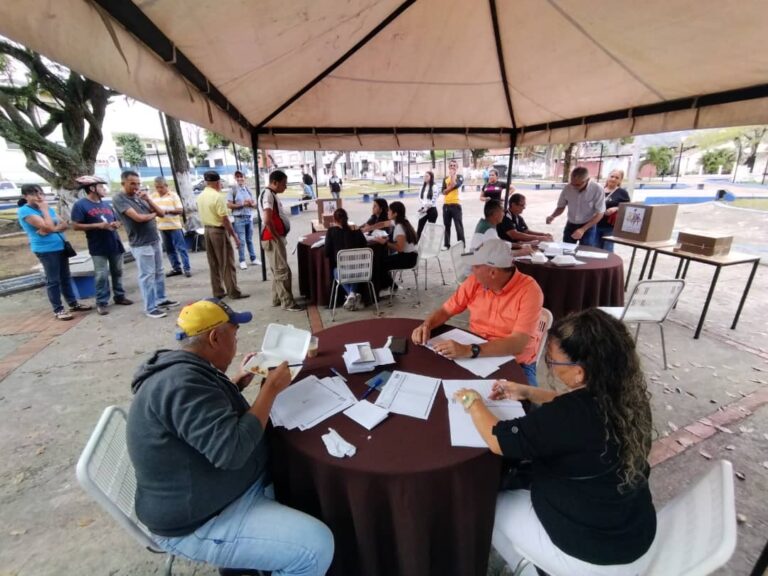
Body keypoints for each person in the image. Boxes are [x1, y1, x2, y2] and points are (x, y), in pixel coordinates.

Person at [126, 298, 334, 575]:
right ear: (214, 337)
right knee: (315, 548)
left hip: (212, 490)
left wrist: (238, 381)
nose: (236, 343)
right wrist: (269, 389)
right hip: (200, 519)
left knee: (297, 477)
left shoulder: (185, 368)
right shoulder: (181, 385)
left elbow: (205, 415)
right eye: (234, 336)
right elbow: (232, 451)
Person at [451, 308, 657, 575]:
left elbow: (498, 440)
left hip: (592, 554)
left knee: (484, 502)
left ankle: (528, 568)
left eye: (552, 362)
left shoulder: (569, 417)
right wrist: (526, 391)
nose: (549, 366)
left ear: (580, 373)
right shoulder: (627, 395)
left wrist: (473, 401)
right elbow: (575, 407)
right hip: (631, 532)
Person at [412, 238, 543, 385]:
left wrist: (470, 350)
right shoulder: (475, 282)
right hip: (476, 354)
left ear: (492, 272)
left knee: (531, 405)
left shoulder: (530, 291)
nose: (471, 270)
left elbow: (517, 344)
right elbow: (446, 310)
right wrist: (427, 325)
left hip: (516, 362)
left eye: (475, 266)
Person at [17, 184, 93, 320]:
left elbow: (64, 224)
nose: (39, 197)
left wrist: (51, 228)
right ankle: (58, 309)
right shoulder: (25, 211)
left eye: (41, 194)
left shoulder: (48, 209)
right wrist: (46, 213)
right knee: (53, 280)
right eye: (34, 194)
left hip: (60, 246)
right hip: (46, 250)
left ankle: (73, 303)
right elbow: (48, 226)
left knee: (65, 277)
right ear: (25, 196)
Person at [112, 170, 179, 319]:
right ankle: (150, 307)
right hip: (141, 243)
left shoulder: (139, 197)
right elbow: (139, 218)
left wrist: (148, 200)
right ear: (123, 183)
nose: (136, 187)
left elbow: (161, 213)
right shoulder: (119, 198)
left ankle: (161, 299)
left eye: (138, 183)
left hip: (154, 239)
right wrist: (153, 214)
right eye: (132, 183)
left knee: (159, 271)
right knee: (147, 275)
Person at [71, 175, 133, 315]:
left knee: (118, 271)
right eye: (100, 186)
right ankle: (101, 302)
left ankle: (119, 296)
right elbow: (75, 226)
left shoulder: (106, 204)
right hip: (98, 246)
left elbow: (116, 219)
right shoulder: (80, 205)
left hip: (114, 243)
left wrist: (117, 224)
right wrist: (98, 225)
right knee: (101, 275)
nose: (104, 189)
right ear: (92, 188)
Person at [196, 170, 249, 301]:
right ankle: (233, 291)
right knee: (226, 262)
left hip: (207, 231)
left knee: (213, 263)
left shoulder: (201, 196)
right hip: (218, 231)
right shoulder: (217, 197)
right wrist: (235, 236)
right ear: (218, 182)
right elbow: (224, 219)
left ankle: (218, 291)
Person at [260, 170, 303, 311]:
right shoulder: (267, 195)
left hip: (272, 238)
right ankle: (288, 303)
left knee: (277, 270)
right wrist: (276, 236)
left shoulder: (271, 194)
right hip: (272, 239)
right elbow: (267, 219)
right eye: (284, 184)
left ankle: (277, 298)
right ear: (275, 182)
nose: (285, 187)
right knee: (282, 271)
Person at [546, 166, 605, 246]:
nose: (574, 186)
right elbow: (561, 206)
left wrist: (583, 229)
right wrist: (552, 216)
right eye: (572, 183)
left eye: (577, 184)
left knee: (585, 252)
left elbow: (600, 213)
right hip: (571, 224)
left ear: (587, 180)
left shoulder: (597, 189)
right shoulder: (568, 188)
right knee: (566, 250)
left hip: (588, 225)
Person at [325, 208, 367, 311]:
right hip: (360, 271)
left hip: (342, 272)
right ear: (347, 218)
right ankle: (352, 295)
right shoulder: (356, 230)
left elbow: (326, 253)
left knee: (336, 271)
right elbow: (364, 245)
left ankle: (350, 294)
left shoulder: (331, 232)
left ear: (334, 220)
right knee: (355, 269)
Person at [374, 201, 418, 294]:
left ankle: (390, 286)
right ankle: (389, 286)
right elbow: (383, 224)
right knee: (380, 261)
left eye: (389, 210)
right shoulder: (402, 221)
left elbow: (400, 248)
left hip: (408, 259)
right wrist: (369, 228)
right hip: (409, 256)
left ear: (395, 214)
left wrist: (385, 242)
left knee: (379, 263)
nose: (387, 212)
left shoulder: (399, 227)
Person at [151, 177, 191, 278]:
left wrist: (166, 212)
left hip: (174, 226)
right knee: (169, 249)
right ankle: (176, 268)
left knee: (181, 248)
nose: (159, 189)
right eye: (157, 187)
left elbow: (180, 210)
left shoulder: (173, 195)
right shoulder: (153, 196)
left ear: (166, 186)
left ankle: (187, 268)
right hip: (162, 227)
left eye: (161, 187)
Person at [227, 170, 259, 270]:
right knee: (241, 241)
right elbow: (229, 205)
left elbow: (255, 204)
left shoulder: (248, 190)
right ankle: (242, 260)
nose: (240, 178)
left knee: (249, 240)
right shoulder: (233, 190)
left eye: (241, 176)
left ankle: (253, 258)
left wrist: (251, 204)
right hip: (239, 219)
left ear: (245, 177)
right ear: (235, 178)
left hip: (249, 217)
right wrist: (242, 204)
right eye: (238, 177)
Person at [595, 169, 631, 251]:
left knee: (607, 250)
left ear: (620, 180)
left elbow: (629, 207)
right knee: (595, 249)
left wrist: (616, 208)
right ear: (608, 177)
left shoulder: (622, 193)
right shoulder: (599, 190)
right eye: (612, 176)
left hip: (610, 227)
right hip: (595, 224)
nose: (613, 179)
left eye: (617, 178)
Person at [441, 159, 465, 250]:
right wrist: (448, 189)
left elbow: (455, 184)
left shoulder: (460, 177)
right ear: (448, 167)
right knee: (446, 225)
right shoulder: (445, 179)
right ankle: (446, 244)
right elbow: (443, 192)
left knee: (458, 226)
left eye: (454, 165)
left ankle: (461, 244)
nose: (452, 167)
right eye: (451, 165)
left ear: (457, 167)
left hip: (456, 205)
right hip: (446, 205)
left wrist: (452, 177)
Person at [415, 171, 438, 241]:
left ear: (431, 177)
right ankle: (417, 243)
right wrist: (424, 206)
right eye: (424, 176)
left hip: (432, 210)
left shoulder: (434, 186)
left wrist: (427, 207)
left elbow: (434, 199)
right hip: (423, 209)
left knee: (431, 229)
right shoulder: (422, 187)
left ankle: (431, 243)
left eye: (427, 176)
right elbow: (420, 197)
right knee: (420, 227)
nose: (425, 177)